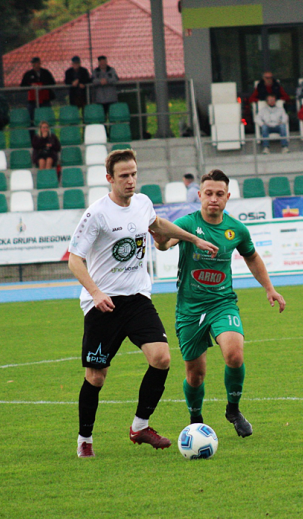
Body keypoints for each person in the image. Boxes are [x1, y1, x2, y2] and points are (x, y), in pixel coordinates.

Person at [67, 149, 218, 458]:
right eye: (124, 176)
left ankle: (140, 426)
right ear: (109, 179)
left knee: (162, 358)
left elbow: (157, 224)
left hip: (137, 298)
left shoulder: (143, 203)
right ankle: (85, 439)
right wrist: (96, 293)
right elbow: (74, 260)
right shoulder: (96, 214)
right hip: (103, 304)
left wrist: (192, 239)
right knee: (96, 377)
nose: (131, 181)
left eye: (134, 174)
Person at [153, 169, 286, 438]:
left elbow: (252, 256)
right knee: (195, 374)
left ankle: (233, 410)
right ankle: (196, 419)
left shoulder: (236, 229)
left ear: (227, 197)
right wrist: (160, 239)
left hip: (222, 303)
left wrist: (269, 288)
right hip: (189, 308)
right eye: (209, 194)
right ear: (200, 195)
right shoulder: (188, 224)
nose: (214, 199)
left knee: (235, 355)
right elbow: (165, 243)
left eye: (219, 194)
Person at [20, 57, 56, 125]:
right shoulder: (28, 74)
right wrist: (31, 85)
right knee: (31, 119)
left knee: (46, 117)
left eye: (37, 63)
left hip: (45, 99)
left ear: (40, 63)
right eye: (34, 63)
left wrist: (42, 85)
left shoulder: (46, 73)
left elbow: (52, 83)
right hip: (33, 101)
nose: (35, 65)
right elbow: (22, 86)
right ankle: (32, 134)